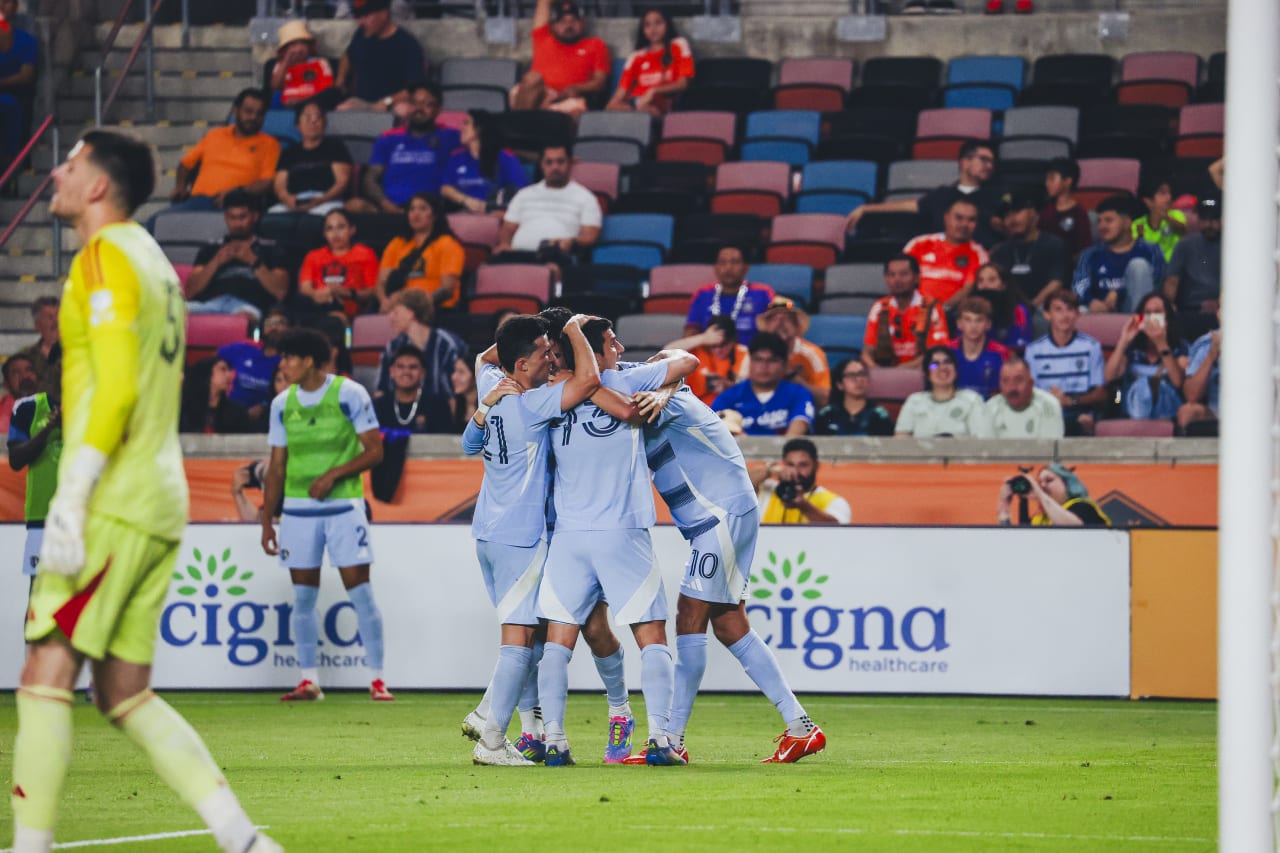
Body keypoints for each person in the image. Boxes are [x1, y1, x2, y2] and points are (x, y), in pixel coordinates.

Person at [16, 129, 279, 853]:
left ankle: (29, 845)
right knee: (123, 691)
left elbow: (117, 386)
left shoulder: (103, 254)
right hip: (161, 495)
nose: (57, 174)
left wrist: (73, 491)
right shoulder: (157, 262)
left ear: (99, 185)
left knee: (44, 671)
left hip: (116, 497)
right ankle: (243, 839)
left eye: (70, 165)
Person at [623, 374, 827, 763]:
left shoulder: (661, 396)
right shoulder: (655, 395)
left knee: (689, 617)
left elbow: (682, 363)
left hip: (718, 520)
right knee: (731, 625)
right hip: (717, 520)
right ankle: (801, 727)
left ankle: (672, 740)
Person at [533, 319, 696, 765]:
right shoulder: (622, 380)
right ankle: (661, 738)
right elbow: (687, 361)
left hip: (569, 537)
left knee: (556, 643)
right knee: (652, 637)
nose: (620, 348)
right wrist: (660, 387)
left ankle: (555, 741)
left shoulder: (550, 393)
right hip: (622, 534)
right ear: (589, 348)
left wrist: (663, 389)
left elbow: (686, 361)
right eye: (610, 343)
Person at [459, 313, 603, 765]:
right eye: (543, 351)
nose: (550, 356)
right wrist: (576, 330)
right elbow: (589, 381)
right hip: (520, 538)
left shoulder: (491, 383)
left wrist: (486, 399)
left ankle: (489, 714)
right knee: (519, 640)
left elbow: (468, 443)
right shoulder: (534, 404)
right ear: (521, 365)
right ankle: (493, 741)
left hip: (486, 533)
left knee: (524, 637)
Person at [259, 328, 392, 704]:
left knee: (360, 592)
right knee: (302, 597)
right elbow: (276, 467)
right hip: (298, 512)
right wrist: (268, 520)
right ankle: (308, 680)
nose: (283, 365)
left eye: (289, 357)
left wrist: (333, 475)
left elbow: (375, 451)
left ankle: (378, 679)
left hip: (343, 508)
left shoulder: (349, 394)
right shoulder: (282, 404)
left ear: (310, 361)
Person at [847, 141, 1003, 248]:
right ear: (964, 162)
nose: (989, 166)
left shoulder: (996, 197)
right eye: (984, 160)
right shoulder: (942, 195)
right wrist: (866, 208)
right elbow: (907, 206)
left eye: (991, 162)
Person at [348, 83, 460, 215]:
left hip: (430, 211)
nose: (419, 108)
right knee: (354, 206)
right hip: (391, 209)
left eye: (427, 104)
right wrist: (386, 205)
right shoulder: (388, 137)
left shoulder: (451, 136)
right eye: (414, 102)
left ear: (438, 109)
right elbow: (371, 178)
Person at [164, 88, 279, 216]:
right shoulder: (215, 135)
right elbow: (185, 164)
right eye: (248, 111)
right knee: (156, 223)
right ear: (235, 111)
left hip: (236, 205)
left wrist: (236, 193)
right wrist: (180, 187)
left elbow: (267, 183)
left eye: (260, 113)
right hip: (198, 201)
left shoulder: (269, 144)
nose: (254, 117)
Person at [184, 190, 291, 320]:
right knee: (173, 312)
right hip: (212, 303)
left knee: (244, 318)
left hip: (247, 306)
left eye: (242, 217)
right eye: (232, 218)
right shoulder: (211, 248)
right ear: (225, 217)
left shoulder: (271, 248)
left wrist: (253, 261)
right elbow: (190, 292)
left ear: (255, 216)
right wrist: (216, 262)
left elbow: (280, 292)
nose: (237, 224)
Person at [1024, 288, 1107, 435]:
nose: (1064, 315)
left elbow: (1101, 393)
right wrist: (1052, 401)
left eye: (1069, 309)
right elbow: (1029, 393)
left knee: (1081, 422)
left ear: (1077, 314)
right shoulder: (1033, 350)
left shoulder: (1091, 347)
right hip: (1045, 412)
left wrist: (1070, 401)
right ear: (1047, 315)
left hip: (1079, 412)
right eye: (1058, 310)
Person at [497, 144, 602, 256]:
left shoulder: (586, 198)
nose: (555, 167)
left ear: (570, 164)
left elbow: (589, 236)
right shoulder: (524, 194)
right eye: (549, 162)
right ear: (542, 165)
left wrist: (572, 242)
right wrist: (505, 244)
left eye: (560, 161)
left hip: (558, 258)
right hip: (518, 256)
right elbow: (508, 228)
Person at [511, 0, 610, 117]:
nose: (569, 25)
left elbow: (600, 82)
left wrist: (577, 88)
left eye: (574, 21)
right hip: (539, 94)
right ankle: (518, 128)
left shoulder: (596, 45)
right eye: (562, 21)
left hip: (571, 97)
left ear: (582, 23)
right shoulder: (543, 38)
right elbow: (544, 2)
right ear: (553, 26)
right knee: (532, 79)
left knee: (575, 107)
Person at [1072, 195, 1165, 314]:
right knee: (1073, 311)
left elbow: (1155, 283)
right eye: (1099, 221)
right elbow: (1079, 286)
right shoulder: (1090, 254)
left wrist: (1119, 292)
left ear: (1127, 223)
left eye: (1109, 220)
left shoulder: (1150, 250)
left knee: (1139, 265)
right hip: (1099, 312)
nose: (1102, 226)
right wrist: (1091, 302)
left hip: (1135, 312)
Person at [1103, 292, 1188, 421]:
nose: (1152, 317)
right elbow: (1109, 376)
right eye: (1148, 313)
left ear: (1167, 317)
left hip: (1168, 411)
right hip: (1132, 409)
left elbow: (1178, 382)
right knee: (1140, 387)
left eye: (1158, 312)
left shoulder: (1180, 347)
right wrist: (1124, 340)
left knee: (1149, 385)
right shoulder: (1133, 347)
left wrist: (1162, 345)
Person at [334, 0, 425, 117]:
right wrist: (340, 79)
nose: (360, 22)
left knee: (403, 111)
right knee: (340, 112)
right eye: (359, 17)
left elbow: (414, 88)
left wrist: (388, 102)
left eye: (366, 16)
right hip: (362, 102)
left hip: (392, 105)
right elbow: (348, 55)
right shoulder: (361, 34)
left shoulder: (407, 44)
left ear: (384, 14)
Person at [374, 193, 464, 310]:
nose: (416, 213)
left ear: (435, 215)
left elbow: (447, 289)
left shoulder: (448, 245)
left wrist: (415, 304)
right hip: (396, 308)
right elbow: (381, 283)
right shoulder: (397, 243)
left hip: (435, 308)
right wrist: (384, 301)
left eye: (423, 208)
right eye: (412, 209)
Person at [8, 387, 61, 585]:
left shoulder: (94, 400)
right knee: (37, 601)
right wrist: (48, 428)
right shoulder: (29, 407)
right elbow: (15, 461)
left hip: (89, 518)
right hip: (42, 519)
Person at [375, 288, 466, 403]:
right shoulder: (393, 347)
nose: (390, 318)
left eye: (395, 312)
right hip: (402, 415)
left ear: (410, 313)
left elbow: (458, 393)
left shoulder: (447, 345)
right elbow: (381, 391)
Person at [862, 254, 950, 368]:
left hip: (922, 373)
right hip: (886, 374)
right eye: (891, 275)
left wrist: (900, 371)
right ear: (885, 278)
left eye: (903, 274)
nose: (897, 279)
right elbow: (867, 352)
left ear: (917, 277)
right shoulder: (879, 307)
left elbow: (936, 353)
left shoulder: (931, 307)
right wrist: (877, 371)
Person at [902, 196, 990, 310]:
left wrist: (940, 311)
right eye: (959, 218)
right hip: (912, 310)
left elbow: (967, 289)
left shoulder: (980, 254)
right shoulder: (918, 244)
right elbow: (902, 279)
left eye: (971, 220)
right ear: (946, 218)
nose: (964, 224)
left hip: (951, 314)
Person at [605, 7, 694, 117]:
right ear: (643, 30)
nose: (653, 29)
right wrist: (635, 108)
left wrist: (654, 90)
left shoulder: (678, 44)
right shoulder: (636, 56)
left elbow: (683, 84)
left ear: (667, 24)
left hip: (662, 110)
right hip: (635, 107)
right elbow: (613, 103)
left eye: (658, 22)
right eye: (647, 25)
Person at [269, 101, 352, 217]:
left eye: (317, 117)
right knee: (272, 217)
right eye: (308, 117)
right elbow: (279, 185)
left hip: (327, 201)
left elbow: (342, 182)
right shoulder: (288, 153)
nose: (313, 121)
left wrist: (321, 199)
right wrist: (288, 199)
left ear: (324, 123)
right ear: (297, 126)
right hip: (295, 201)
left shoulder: (336, 148)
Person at [682, 244, 776, 346]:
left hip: (753, 357)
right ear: (715, 268)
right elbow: (691, 332)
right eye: (722, 262)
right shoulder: (703, 293)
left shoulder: (763, 293)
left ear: (746, 267)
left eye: (735, 262)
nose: (728, 268)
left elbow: (775, 328)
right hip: (710, 356)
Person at [990, 190, 1070, 310]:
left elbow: (1056, 283)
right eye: (1007, 215)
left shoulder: (1054, 245)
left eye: (1017, 212)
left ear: (1032, 212)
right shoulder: (1000, 251)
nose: (1012, 219)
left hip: (1045, 309)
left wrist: (1030, 307)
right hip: (1009, 312)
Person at [441, 110, 530, 215]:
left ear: (478, 129)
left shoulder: (504, 156)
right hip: (463, 214)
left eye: (466, 123)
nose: (461, 128)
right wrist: (467, 201)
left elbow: (520, 190)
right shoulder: (456, 156)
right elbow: (445, 188)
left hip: (496, 215)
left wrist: (493, 209)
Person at [298, 209, 380, 322]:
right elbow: (305, 287)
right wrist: (316, 295)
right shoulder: (313, 256)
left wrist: (349, 293)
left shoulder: (365, 253)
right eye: (329, 229)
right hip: (319, 306)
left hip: (352, 306)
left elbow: (373, 290)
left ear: (352, 230)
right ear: (324, 234)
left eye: (341, 227)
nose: (335, 234)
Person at [894, 346, 991, 437]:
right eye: (934, 365)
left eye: (948, 362)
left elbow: (983, 442)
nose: (942, 368)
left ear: (956, 370)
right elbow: (900, 442)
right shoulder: (914, 401)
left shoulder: (972, 400)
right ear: (927, 374)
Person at [750, 438, 851, 525]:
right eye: (790, 464)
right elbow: (740, 481)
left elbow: (838, 532)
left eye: (803, 465)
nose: (795, 471)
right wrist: (771, 470)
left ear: (816, 465)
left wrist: (803, 506)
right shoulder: (767, 489)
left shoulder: (834, 501)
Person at [755, 296, 832, 408]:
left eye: (787, 319)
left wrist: (793, 377)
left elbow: (824, 398)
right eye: (774, 319)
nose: (780, 324)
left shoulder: (812, 354)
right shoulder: (755, 353)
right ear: (766, 326)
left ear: (797, 326)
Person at [218, 306, 288, 423]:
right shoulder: (243, 349)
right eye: (269, 322)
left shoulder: (289, 362)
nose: (274, 326)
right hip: (229, 414)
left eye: (280, 323)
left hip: (267, 418)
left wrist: (265, 407)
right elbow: (212, 363)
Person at [664, 315, 748, 406]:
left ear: (732, 341)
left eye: (723, 345)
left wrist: (728, 385)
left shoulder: (743, 353)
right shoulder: (698, 350)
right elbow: (667, 352)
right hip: (694, 407)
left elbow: (745, 390)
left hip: (729, 408)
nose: (718, 350)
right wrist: (703, 338)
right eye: (713, 345)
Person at [997, 463, 1110, 527]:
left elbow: (1073, 529)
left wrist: (1040, 493)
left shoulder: (1084, 507)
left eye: (1049, 480)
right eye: (1039, 482)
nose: (1043, 485)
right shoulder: (1040, 519)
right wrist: (1004, 508)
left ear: (1067, 484)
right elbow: (1016, 545)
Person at [371, 345, 452, 433]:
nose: (406, 372)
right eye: (400, 367)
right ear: (392, 372)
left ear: (423, 373)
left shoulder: (438, 405)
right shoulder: (378, 405)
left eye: (413, 367)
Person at [1163, 196, 1222, 314]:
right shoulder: (1185, 244)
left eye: (1214, 219)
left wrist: (1219, 303)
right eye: (1204, 219)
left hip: (1225, 311)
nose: (1209, 224)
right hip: (1189, 311)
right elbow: (1172, 281)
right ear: (1199, 219)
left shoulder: (1234, 247)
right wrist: (1169, 306)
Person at [985, 355, 1064, 439]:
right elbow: (986, 449)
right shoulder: (990, 408)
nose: (1012, 387)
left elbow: (1049, 448)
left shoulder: (1049, 405)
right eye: (1006, 381)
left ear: (1031, 383)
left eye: (1018, 380)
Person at [268, 19, 337, 110]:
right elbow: (276, 87)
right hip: (285, 106)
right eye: (293, 45)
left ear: (309, 46)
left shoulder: (320, 63)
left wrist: (302, 101)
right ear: (284, 50)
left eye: (303, 43)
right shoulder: (280, 65)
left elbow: (327, 91)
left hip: (313, 105)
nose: (299, 49)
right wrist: (286, 62)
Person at [813, 359, 894, 436]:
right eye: (851, 375)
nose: (859, 379)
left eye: (862, 374)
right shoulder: (827, 415)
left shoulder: (879, 415)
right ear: (839, 384)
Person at [949, 297, 1009, 398]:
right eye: (968, 320)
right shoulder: (947, 350)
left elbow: (1004, 390)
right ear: (959, 324)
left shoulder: (1001, 353)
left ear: (988, 324)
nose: (973, 326)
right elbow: (932, 368)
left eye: (979, 320)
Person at [0, 0, 36, 171]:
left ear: (15, 7)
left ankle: (10, 166)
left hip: (13, 97)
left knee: (8, 105)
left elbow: (26, 76)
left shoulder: (25, 40)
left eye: (6, 2)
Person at [179, 357, 254, 434]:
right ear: (207, 373)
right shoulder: (185, 409)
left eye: (228, 370)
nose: (229, 375)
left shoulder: (237, 412)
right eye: (223, 370)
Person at [1039, 157, 1093, 258]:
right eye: (1046, 179)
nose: (1047, 183)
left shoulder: (1079, 213)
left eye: (1052, 178)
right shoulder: (1045, 210)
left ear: (1067, 181)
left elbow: (1084, 249)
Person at [1132, 175, 1185, 263]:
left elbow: (1182, 230)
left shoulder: (1176, 215)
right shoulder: (1137, 223)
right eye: (1163, 193)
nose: (1169, 197)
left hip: (1173, 266)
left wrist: (1166, 218)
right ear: (1148, 201)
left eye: (1169, 192)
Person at [1178, 325, 1220, 435]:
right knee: (1187, 412)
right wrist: (1212, 355)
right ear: (1219, 314)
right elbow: (1191, 395)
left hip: (1260, 411)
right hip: (1217, 411)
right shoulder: (1207, 343)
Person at [15, 296, 60, 396]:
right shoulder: (25, 357)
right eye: (49, 317)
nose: (56, 321)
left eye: (58, 315)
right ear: (37, 325)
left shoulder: (78, 353)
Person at [0, 353, 37, 433]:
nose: (25, 376)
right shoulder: (4, 417)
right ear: (6, 384)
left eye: (29, 370)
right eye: (16, 373)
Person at [449, 355, 477, 433]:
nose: (453, 377)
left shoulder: (491, 407)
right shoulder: (452, 404)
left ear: (476, 376)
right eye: (454, 371)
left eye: (461, 372)